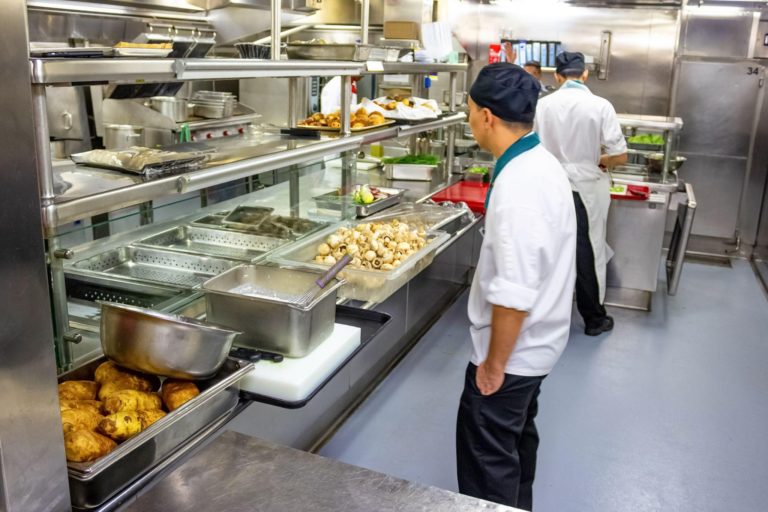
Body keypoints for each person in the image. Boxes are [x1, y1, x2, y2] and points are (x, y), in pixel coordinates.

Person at [455, 63, 577, 511]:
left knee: (488, 466)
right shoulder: (538, 161)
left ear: (487, 116)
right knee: (514, 447)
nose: (469, 120)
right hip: (539, 346)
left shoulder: (520, 186)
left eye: (469, 111)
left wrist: (492, 366)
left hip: (513, 358)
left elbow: (514, 292)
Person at [534, 51, 627, 336]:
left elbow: (531, 147)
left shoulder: (541, 106)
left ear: (557, 76)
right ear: (584, 74)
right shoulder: (600, 105)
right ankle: (594, 319)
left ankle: (543, 317)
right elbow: (620, 155)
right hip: (586, 190)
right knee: (588, 252)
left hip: (549, 188)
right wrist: (601, 160)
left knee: (546, 250)